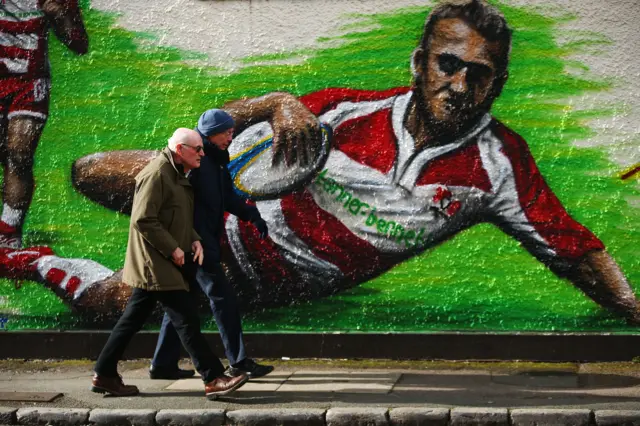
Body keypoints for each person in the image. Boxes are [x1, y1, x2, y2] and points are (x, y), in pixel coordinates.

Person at [2, 0, 639, 326]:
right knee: (89, 170)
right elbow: (214, 125)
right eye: (448, 65)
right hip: (225, 198)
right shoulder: (346, 113)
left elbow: (574, 250)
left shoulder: (500, 165)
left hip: (252, 273)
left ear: (496, 85)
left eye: (481, 75)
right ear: (420, 65)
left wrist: (635, 312)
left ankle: (30, 261)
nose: (460, 85)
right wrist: (276, 105)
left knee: (120, 305)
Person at [90, 128, 249, 400]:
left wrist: (194, 239)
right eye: (197, 149)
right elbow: (144, 220)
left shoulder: (176, 173)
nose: (202, 153)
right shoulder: (157, 175)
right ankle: (213, 378)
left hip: (160, 261)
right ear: (180, 150)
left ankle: (104, 374)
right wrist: (174, 248)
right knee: (186, 319)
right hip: (155, 263)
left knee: (132, 321)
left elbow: (178, 218)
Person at [149, 110, 274, 380]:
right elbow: (179, 206)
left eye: (232, 131)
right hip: (197, 245)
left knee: (182, 303)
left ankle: (162, 364)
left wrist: (252, 215)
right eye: (226, 132)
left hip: (203, 242)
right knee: (222, 297)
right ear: (210, 133)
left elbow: (225, 197)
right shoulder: (196, 162)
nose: (231, 136)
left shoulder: (215, 159)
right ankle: (238, 361)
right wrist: (192, 239)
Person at [0, 0, 89, 248]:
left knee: (19, 154)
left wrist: (58, 13)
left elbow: (79, 43)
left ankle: (8, 233)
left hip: (29, 81)